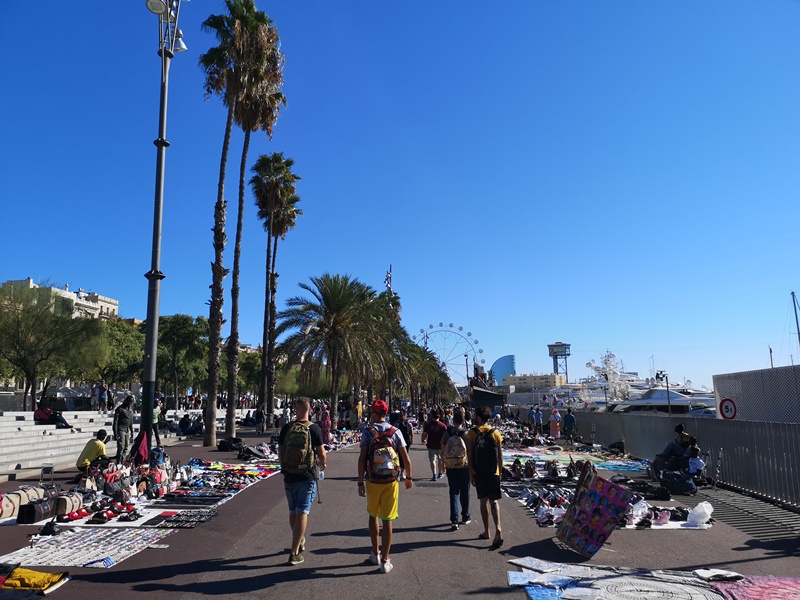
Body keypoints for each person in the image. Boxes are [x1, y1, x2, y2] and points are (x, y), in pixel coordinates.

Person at [358, 399, 413, 574]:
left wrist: (360, 481)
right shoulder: (395, 432)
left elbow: (362, 457)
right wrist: (409, 476)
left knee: (373, 515)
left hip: (373, 480)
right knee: (388, 519)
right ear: (386, 414)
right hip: (391, 481)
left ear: (375, 414)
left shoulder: (368, 432)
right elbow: (405, 457)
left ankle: (375, 553)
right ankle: (385, 561)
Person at [278, 397, 327, 566]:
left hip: (289, 475)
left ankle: (300, 539)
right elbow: (322, 453)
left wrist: (284, 467)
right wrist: (323, 463)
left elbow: (280, 450)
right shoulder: (313, 428)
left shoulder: (287, 428)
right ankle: (294, 552)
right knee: (303, 511)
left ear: (296, 409)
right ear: (309, 409)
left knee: (293, 512)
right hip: (306, 475)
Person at [467, 405, 504, 548]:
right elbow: (500, 456)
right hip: (493, 472)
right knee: (494, 502)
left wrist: (471, 472)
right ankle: (498, 528)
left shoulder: (472, 433)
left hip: (479, 472)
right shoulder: (496, 433)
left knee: (483, 501)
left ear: (478, 418)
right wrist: (499, 472)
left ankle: (487, 531)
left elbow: (470, 454)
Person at [440, 410, 471, 530]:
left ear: (453, 420)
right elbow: (469, 451)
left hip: (451, 466)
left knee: (454, 492)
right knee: (465, 491)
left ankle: (454, 519)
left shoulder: (447, 433)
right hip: (464, 466)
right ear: (463, 421)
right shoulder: (466, 434)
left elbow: (442, 450)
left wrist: (443, 464)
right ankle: (466, 516)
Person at [421, 409, 447, 481]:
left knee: (432, 460)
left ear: (432, 417)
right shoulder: (443, 426)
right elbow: (446, 435)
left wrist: (423, 440)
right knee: (440, 460)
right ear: (439, 417)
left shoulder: (428, 424)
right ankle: (440, 473)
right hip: (440, 445)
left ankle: (434, 474)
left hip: (431, 444)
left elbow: (424, 434)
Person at [113, 395, 135, 462]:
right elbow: (115, 422)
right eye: (130, 402)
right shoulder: (120, 409)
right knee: (121, 447)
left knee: (126, 447)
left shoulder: (130, 409)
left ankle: (123, 460)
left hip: (127, 430)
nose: (130, 403)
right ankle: (118, 461)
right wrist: (115, 433)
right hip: (121, 429)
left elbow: (131, 420)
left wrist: (131, 430)